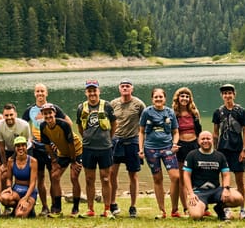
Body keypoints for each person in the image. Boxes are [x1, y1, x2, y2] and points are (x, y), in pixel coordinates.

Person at [21, 83, 71, 216]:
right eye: (37, 91)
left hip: (52, 149)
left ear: (46, 93)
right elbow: (22, 127)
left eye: (42, 91)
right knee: (40, 178)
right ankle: (44, 207)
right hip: (36, 149)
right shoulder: (29, 110)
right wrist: (28, 139)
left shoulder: (54, 109)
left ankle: (56, 206)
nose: (40, 94)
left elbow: (68, 123)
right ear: (34, 93)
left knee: (55, 178)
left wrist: (60, 140)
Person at [75, 79, 117, 218]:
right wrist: (87, 137)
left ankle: (107, 209)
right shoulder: (81, 107)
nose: (92, 93)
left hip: (105, 148)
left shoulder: (107, 106)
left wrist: (108, 139)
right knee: (89, 179)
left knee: (106, 179)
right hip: (88, 148)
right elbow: (80, 127)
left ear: (99, 91)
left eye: (94, 90)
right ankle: (90, 209)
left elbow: (114, 123)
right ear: (86, 92)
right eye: (89, 90)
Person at [183, 131, 245, 221]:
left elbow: (226, 174)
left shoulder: (220, 156)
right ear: (198, 141)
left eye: (208, 138)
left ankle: (219, 208)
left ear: (212, 140)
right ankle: (202, 207)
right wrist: (191, 193)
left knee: (238, 198)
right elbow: (186, 175)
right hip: (199, 192)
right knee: (196, 216)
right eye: (203, 139)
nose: (205, 141)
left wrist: (226, 189)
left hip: (216, 190)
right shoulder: (192, 155)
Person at [139, 88, 180, 219]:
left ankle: (175, 210)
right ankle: (162, 211)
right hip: (151, 149)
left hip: (167, 148)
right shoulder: (147, 112)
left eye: (160, 97)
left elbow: (175, 131)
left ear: (164, 98)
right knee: (157, 179)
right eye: (156, 97)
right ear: (152, 99)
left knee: (176, 177)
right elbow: (141, 131)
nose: (158, 99)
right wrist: (140, 149)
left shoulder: (170, 112)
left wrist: (174, 144)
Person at [211, 83, 245, 219]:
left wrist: (244, 150)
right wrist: (214, 150)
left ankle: (243, 209)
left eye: (230, 93)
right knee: (225, 182)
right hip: (223, 150)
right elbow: (215, 132)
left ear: (234, 94)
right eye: (225, 93)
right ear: (222, 96)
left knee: (240, 181)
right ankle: (226, 208)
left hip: (237, 149)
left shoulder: (241, 111)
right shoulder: (218, 112)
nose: (227, 96)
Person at [108, 79, 145, 218]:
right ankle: (112, 203)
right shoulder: (113, 104)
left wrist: (143, 147)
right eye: (122, 86)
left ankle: (133, 206)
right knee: (112, 173)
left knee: (133, 175)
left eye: (127, 86)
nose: (125, 88)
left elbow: (144, 126)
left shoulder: (139, 104)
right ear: (119, 89)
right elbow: (108, 123)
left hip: (133, 142)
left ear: (132, 88)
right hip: (116, 141)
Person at [39, 103, 83, 218]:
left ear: (54, 113)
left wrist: (73, 162)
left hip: (76, 150)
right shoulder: (43, 126)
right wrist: (54, 160)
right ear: (42, 115)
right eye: (45, 113)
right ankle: (57, 207)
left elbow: (71, 144)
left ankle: (75, 208)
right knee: (54, 176)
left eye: (50, 113)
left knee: (74, 177)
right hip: (62, 152)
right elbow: (47, 145)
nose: (48, 116)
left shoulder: (64, 124)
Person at [172, 87, 203, 216]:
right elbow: (172, 132)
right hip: (181, 146)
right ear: (177, 98)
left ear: (190, 99)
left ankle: (200, 205)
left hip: (194, 145)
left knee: (197, 176)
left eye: (187, 96)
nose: (184, 98)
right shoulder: (174, 113)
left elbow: (199, 130)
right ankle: (185, 207)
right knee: (182, 178)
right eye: (182, 96)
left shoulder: (194, 113)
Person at [0, 136, 38, 218]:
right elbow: (9, 178)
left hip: (29, 192)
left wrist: (25, 198)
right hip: (16, 190)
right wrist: (9, 187)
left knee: (20, 215)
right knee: (3, 198)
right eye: (18, 146)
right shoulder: (11, 161)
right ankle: (17, 207)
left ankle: (28, 208)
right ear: (15, 148)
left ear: (26, 147)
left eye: (23, 145)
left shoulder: (33, 161)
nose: (20, 148)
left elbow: (33, 183)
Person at [0, 103, 33, 185]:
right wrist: (4, 164)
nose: (9, 117)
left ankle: (26, 193)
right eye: (6, 115)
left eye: (11, 115)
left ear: (16, 114)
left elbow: (23, 146)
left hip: (25, 149)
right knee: (4, 175)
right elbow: (1, 147)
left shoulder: (24, 125)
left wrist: (11, 159)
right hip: (9, 149)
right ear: (3, 116)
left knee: (25, 174)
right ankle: (5, 194)